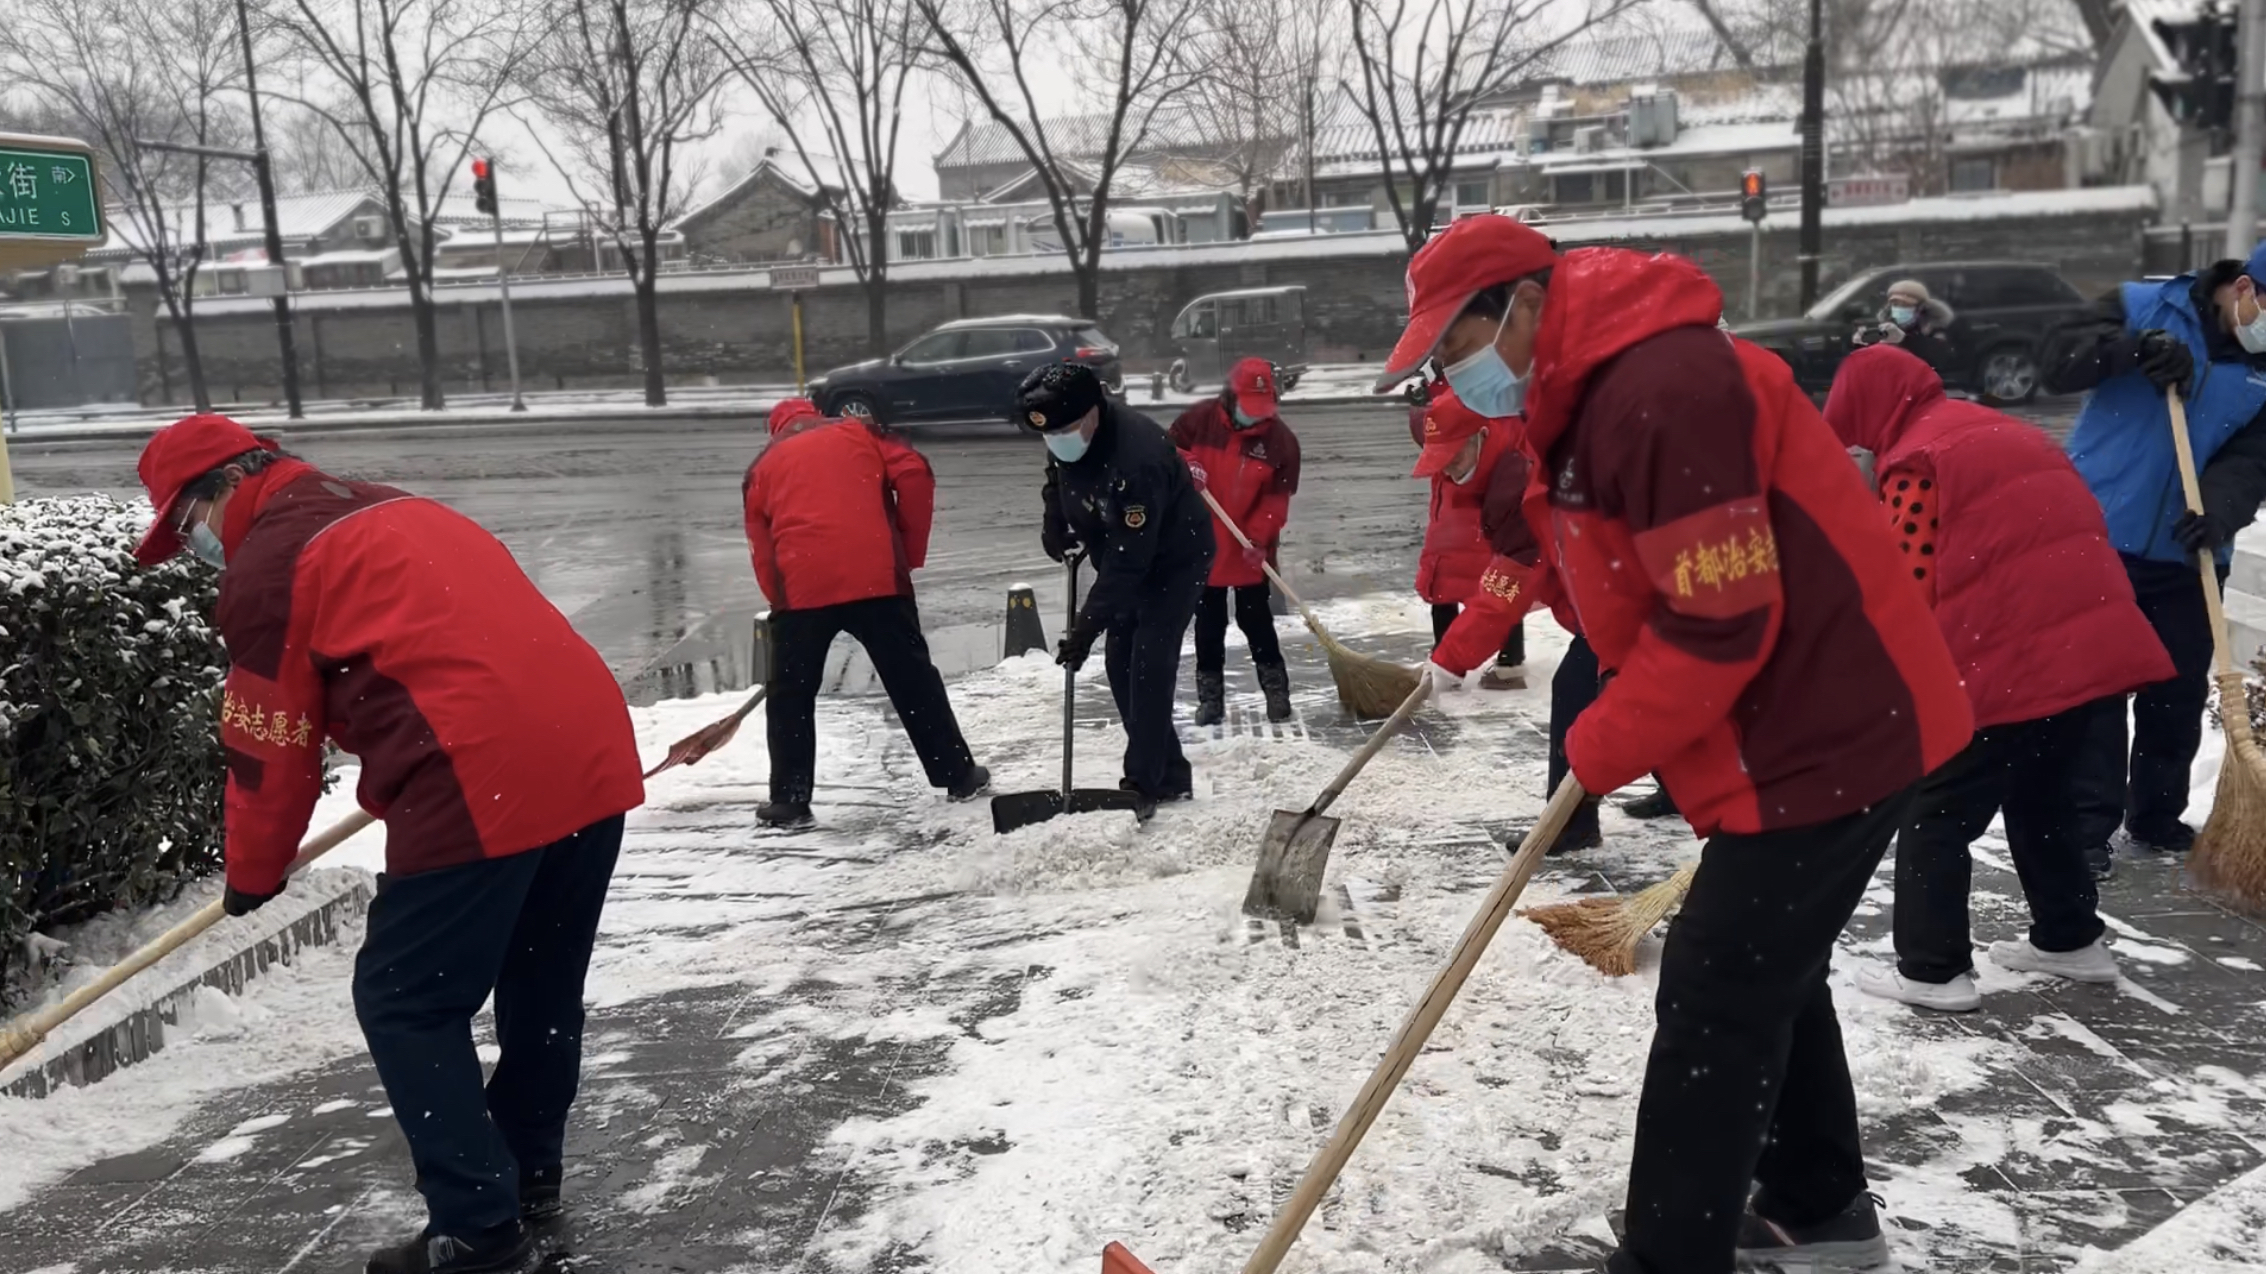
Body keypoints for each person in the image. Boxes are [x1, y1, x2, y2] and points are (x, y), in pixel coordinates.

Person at [1378, 216, 1973, 1274]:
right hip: (1792, 729)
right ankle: (1819, 1205)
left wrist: (1595, 743)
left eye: (1450, 339)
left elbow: (1719, 622)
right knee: (1759, 972)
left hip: (1825, 726)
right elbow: (1616, 571)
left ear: (1517, 302)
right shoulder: (1589, 396)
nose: (1448, 368)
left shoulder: (1659, 392)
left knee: (1713, 994)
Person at [129, 413, 645, 1274]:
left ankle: (477, 1230)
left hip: (478, 769)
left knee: (405, 998)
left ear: (216, 493)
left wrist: (252, 871)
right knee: (540, 977)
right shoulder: (390, 506)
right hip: (584, 743)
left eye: (185, 530)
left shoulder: (269, 566)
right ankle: (525, 1173)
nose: (193, 551)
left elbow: (269, 744)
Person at [1826, 345, 2174, 1012]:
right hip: (2086, 644)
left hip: (2008, 658)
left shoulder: (1917, 459)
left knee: (1937, 810)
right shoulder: (1997, 428)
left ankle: (1933, 971)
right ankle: (2070, 937)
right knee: (2042, 796)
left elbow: (1908, 583)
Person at [2047, 244, 2266, 859]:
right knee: (2096, 691)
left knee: (2174, 692)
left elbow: (2253, 458)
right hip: (2100, 535)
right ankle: (2087, 828)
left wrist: (2217, 512)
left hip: (2190, 549)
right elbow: (2055, 361)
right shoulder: (2142, 305)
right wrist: (2132, 349)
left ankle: (2156, 815)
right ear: (2244, 288)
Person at [743, 397, 989, 828]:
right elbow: (914, 474)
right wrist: (907, 554)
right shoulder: (860, 432)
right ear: (816, 416)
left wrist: (779, 599)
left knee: (790, 696)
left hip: (803, 587)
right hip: (875, 577)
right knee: (912, 680)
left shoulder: (762, 465)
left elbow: (761, 548)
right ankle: (958, 775)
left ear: (777, 429)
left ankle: (789, 799)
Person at [1023, 361, 1215, 805]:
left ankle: (1144, 782)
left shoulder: (1138, 458)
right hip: (1120, 549)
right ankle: (1168, 772)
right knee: (1121, 664)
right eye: (1049, 433)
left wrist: (1085, 627)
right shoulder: (1068, 432)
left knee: (1148, 665)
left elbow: (1130, 562)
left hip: (1173, 560)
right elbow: (1058, 474)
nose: (1056, 440)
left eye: (1064, 429)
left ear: (1093, 412)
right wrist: (1055, 520)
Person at [1168, 356, 1302, 726]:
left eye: (1263, 409)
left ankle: (1277, 694)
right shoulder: (1199, 421)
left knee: (1256, 621)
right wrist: (1186, 461)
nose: (1256, 417)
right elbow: (1166, 449)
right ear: (1231, 396)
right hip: (1203, 545)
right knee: (1208, 626)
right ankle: (1210, 701)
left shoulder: (1281, 442)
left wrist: (1259, 538)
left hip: (1250, 551)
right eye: (1249, 407)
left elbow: (1277, 500)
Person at [1410, 382, 1527, 689]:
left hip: (1476, 538)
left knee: (1500, 590)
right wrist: (1423, 409)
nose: (1448, 468)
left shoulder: (1507, 473)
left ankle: (1486, 662)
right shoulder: (1459, 400)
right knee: (1457, 593)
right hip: (1450, 536)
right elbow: (1429, 430)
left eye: (1455, 458)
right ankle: (1458, 660)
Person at [1849, 277, 1959, 378]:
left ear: (1920, 308)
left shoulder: (1935, 326)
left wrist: (1905, 339)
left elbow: (1942, 358)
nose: (1899, 309)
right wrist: (1859, 346)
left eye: (1905, 305)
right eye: (1895, 305)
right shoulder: (1885, 327)